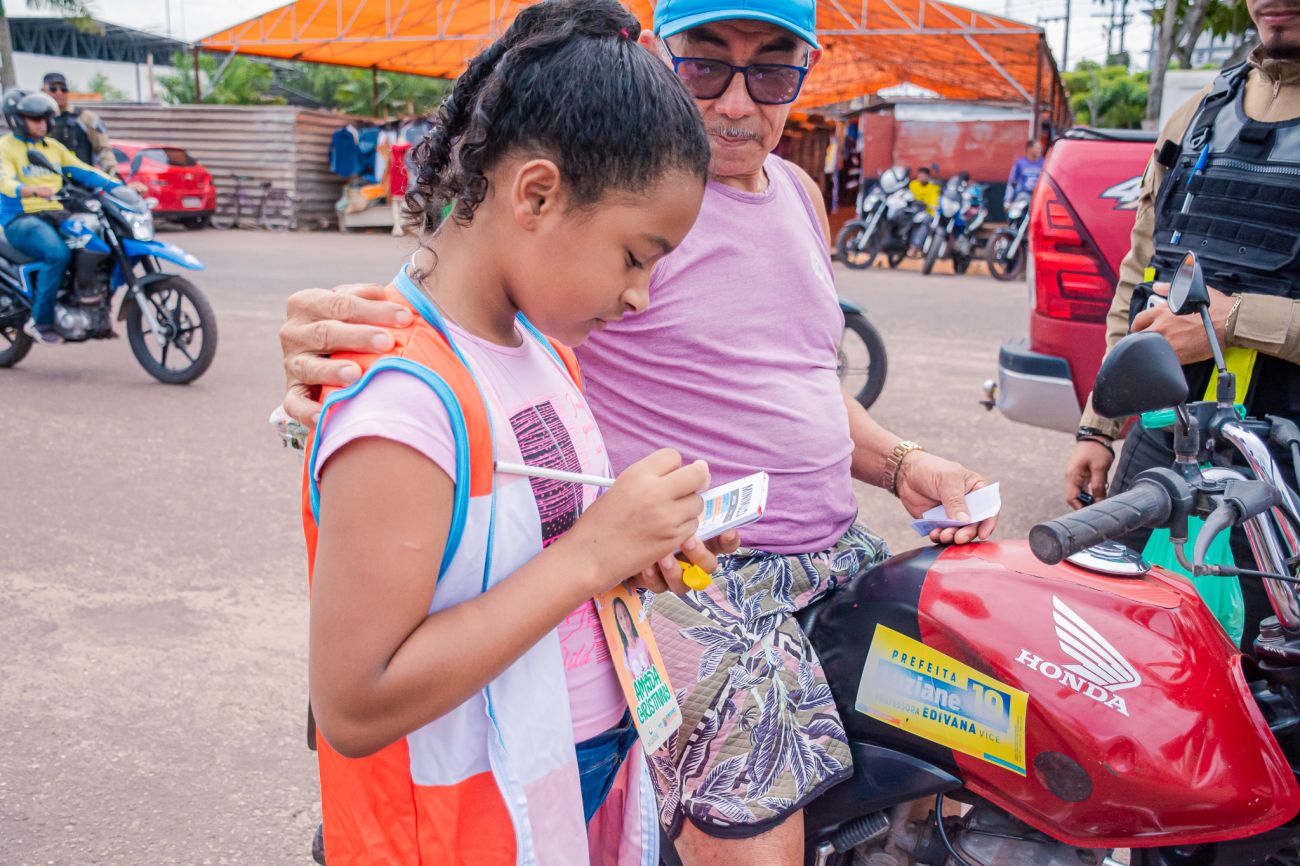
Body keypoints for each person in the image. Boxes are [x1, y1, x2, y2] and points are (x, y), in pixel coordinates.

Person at [278, 0, 998, 862]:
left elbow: (791, 375)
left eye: (772, 70)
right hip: (699, 597)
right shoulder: (602, 212)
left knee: (981, 717)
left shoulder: (791, 198)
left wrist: (900, 462)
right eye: (707, 66)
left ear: (804, 72)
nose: (738, 102)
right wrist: (344, 342)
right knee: (756, 808)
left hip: (765, 558)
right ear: (661, 57)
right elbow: (455, 294)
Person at [302, 3, 722, 864]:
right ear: (536, 194)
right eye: (636, 257)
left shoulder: (542, 349)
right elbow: (354, 704)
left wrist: (632, 546)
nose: (640, 295)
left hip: (575, 767)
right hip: (474, 817)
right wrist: (590, 556)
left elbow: (525, 553)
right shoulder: (403, 401)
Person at [1063, 0, 1300, 650]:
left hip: (1283, 467)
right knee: (1121, 646)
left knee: (1261, 674)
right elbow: (1141, 274)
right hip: (1165, 445)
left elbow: (1219, 315)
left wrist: (1238, 321)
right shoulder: (1199, 116)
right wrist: (1099, 425)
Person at [0, 90, 121, 345]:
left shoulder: (52, 148)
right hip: (21, 218)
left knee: (94, 243)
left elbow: (85, 171)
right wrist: (29, 189)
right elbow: (4, 181)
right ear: (18, 119)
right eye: (35, 119)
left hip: (54, 214)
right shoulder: (6, 147)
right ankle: (40, 321)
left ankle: (87, 305)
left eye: (45, 119)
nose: (43, 124)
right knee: (57, 254)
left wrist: (121, 187)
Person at [42, 72, 118, 174]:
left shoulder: (86, 118)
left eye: (63, 89)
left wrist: (112, 173)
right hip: (50, 180)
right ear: (43, 91)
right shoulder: (37, 120)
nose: (59, 92)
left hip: (82, 179)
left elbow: (103, 149)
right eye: (53, 89)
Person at [612, 596, 654, 678]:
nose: (624, 621)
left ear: (629, 616)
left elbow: (655, 669)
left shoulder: (642, 642)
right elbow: (633, 681)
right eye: (620, 618)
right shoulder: (625, 656)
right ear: (618, 623)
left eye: (625, 615)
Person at [1004, 139, 1043, 209]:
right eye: (1037, 148)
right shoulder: (1020, 163)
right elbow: (1012, 182)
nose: (1040, 150)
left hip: (1039, 197)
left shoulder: (1045, 163)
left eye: (1040, 148)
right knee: (1015, 213)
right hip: (1023, 196)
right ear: (1029, 149)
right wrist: (1007, 201)